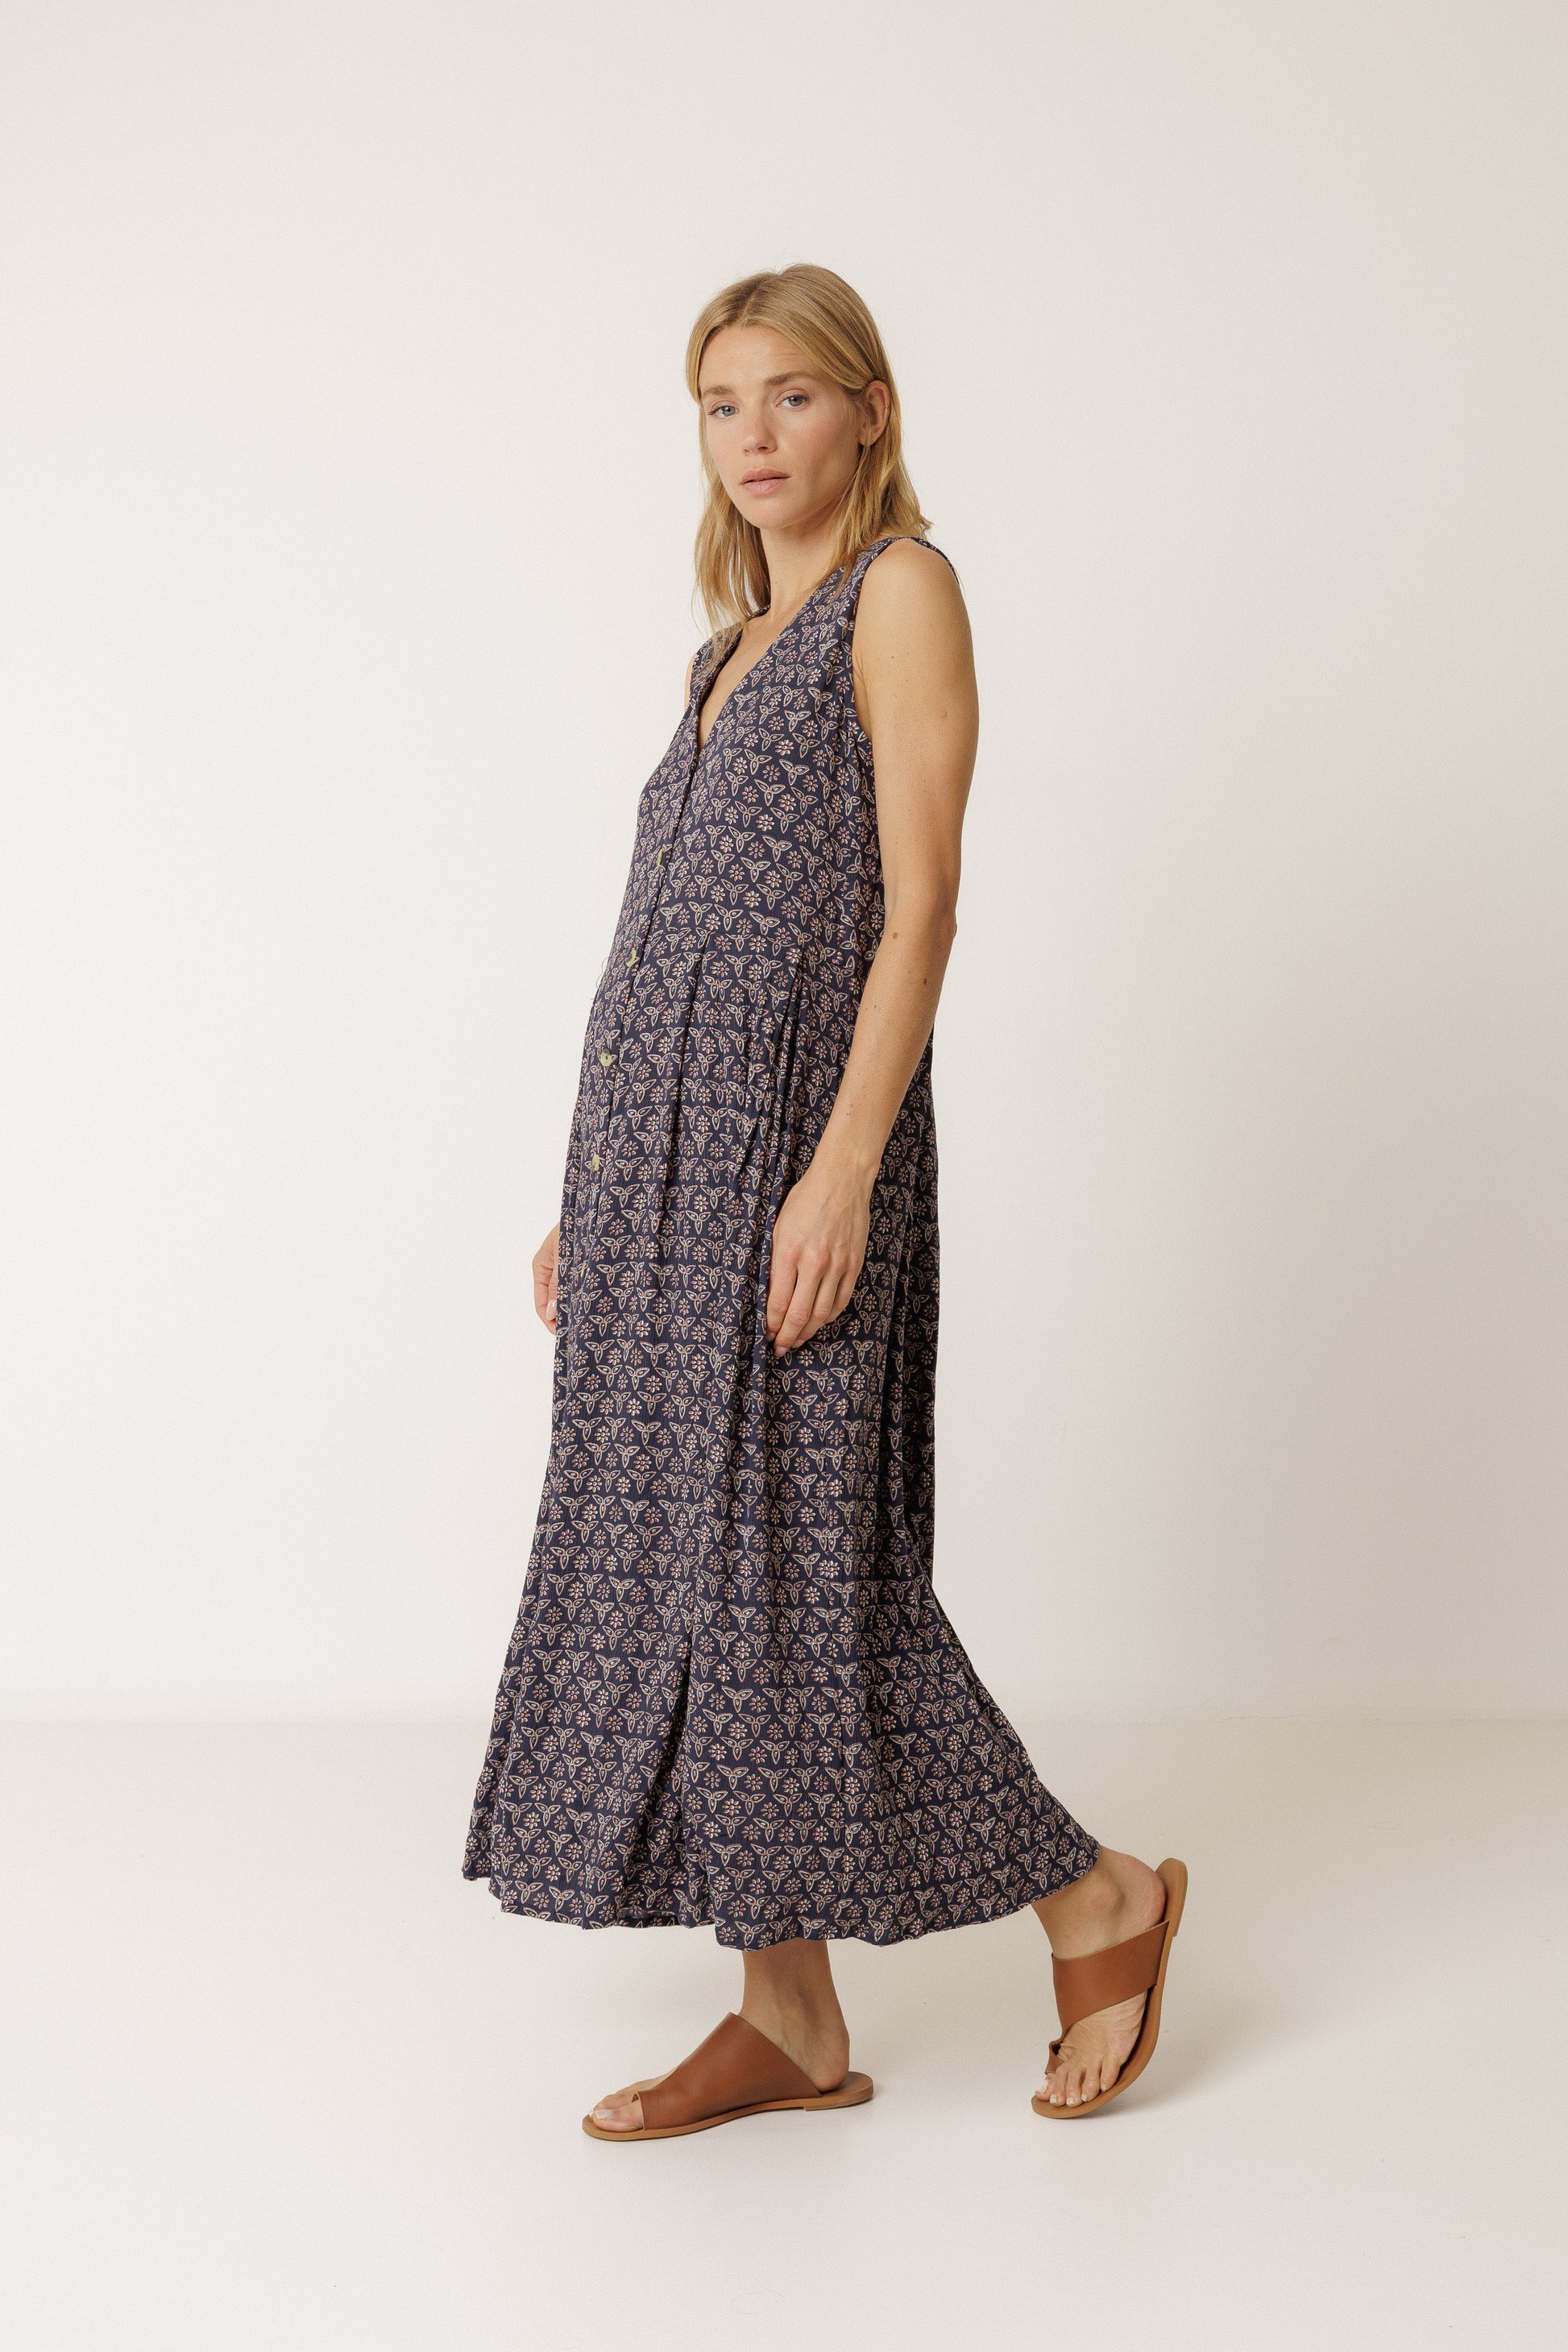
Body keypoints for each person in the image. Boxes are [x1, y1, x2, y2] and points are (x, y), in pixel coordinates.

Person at [463, 263, 1186, 2135]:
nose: (754, 436)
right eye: (721, 404)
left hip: (798, 1148)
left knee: (805, 1575)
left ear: (869, 407)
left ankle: (1098, 1894)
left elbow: (921, 901)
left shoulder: (901, 591)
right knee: (692, 1575)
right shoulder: (719, 653)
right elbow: (659, 940)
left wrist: (844, 1165)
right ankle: (786, 2013)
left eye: (789, 394)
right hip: (653, 1166)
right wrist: (592, 1192)